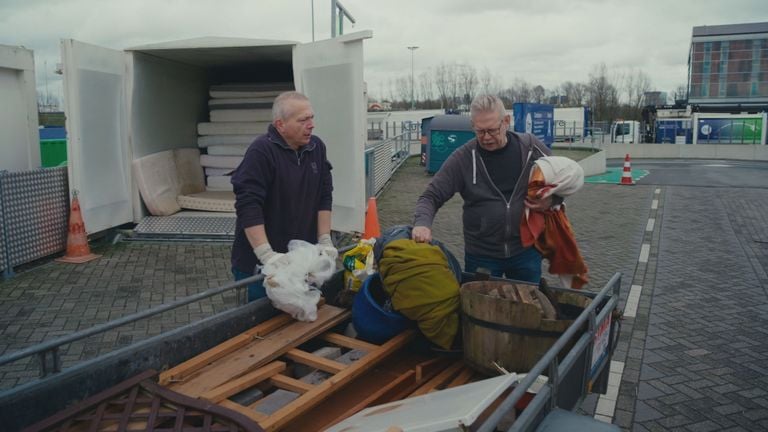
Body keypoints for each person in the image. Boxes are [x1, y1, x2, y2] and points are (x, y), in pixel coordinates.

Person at [412, 94, 559, 284]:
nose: (486, 137)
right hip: (482, 256)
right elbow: (430, 196)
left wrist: (553, 200)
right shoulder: (463, 158)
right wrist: (422, 223)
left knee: (528, 306)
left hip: (526, 251)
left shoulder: (530, 148)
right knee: (481, 310)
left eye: (492, 130)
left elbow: (562, 178)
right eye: (480, 131)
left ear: (506, 121)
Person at [231, 91, 336, 301]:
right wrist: (266, 255)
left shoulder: (316, 147)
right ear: (280, 125)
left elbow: (324, 194)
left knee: (298, 320)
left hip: (300, 260)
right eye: (303, 120)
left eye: (312, 117)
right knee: (261, 324)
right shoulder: (261, 152)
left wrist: (324, 239)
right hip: (262, 265)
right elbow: (248, 205)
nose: (311, 124)